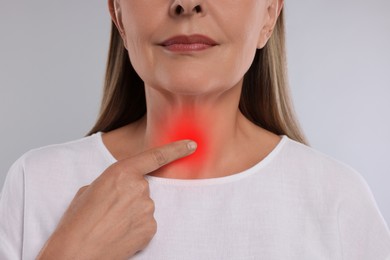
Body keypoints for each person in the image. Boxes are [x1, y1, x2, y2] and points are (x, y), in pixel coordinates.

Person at [1, 0, 389, 259]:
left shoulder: (338, 200)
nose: (186, 3)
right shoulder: (35, 183)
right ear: (118, 13)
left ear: (269, 14)